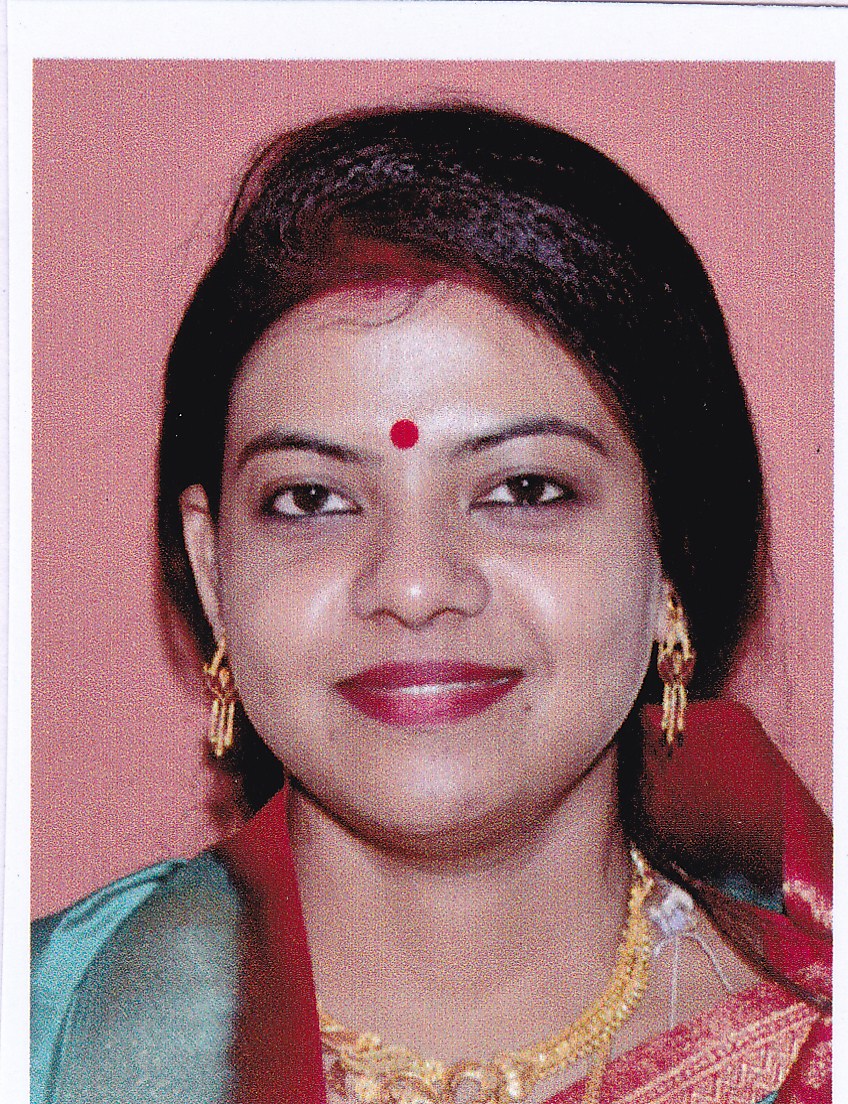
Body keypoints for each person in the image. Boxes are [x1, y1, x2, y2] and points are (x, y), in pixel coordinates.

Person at [31, 104, 831, 1104]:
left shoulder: (815, 1050)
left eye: (524, 489)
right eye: (311, 499)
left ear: (672, 549)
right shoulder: (47, 1036)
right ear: (212, 567)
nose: (412, 586)